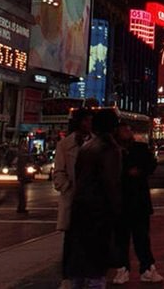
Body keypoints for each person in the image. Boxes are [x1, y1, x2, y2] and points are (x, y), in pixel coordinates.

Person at [65, 108, 122, 289]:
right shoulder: (110, 148)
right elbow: (111, 182)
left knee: (81, 260)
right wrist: (117, 210)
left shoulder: (87, 146)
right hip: (100, 210)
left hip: (81, 207)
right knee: (97, 263)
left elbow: (78, 175)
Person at [111, 122, 163, 284]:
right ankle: (123, 269)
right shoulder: (113, 151)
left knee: (141, 238)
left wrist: (139, 171)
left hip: (138, 201)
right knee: (122, 239)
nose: (127, 132)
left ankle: (147, 268)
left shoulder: (139, 148)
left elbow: (151, 165)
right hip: (121, 201)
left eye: (128, 129)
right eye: (123, 129)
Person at [55, 109, 93, 288]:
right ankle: (67, 277)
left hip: (92, 199)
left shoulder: (96, 143)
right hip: (73, 199)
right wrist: (66, 187)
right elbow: (58, 173)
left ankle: (86, 274)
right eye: (86, 120)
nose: (89, 123)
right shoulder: (64, 145)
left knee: (90, 240)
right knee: (70, 241)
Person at [15, 148, 33, 214]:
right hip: (21, 178)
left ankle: (21, 208)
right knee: (22, 194)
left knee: (22, 194)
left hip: (21, 178)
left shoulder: (19, 159)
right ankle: (21, 208)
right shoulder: (21, 160)